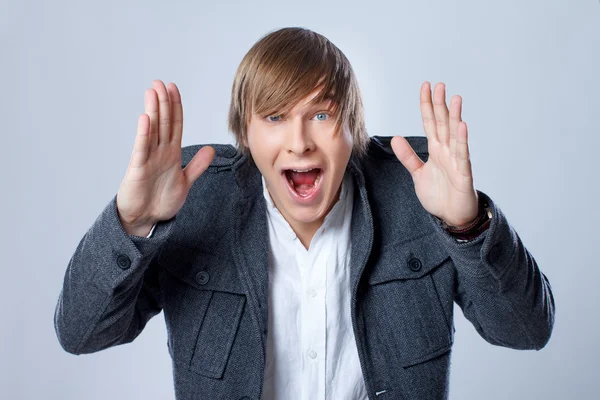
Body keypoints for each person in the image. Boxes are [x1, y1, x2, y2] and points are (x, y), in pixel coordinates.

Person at [54, 27, 555, 400]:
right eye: (274, 117)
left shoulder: (420, 196)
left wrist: (466, 227)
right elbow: (81, 334)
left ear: (353, 130)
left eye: (321, 114)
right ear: (245, 135)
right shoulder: (197, 202)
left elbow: (527, 331)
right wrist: (132, 225)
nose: (299, 142)